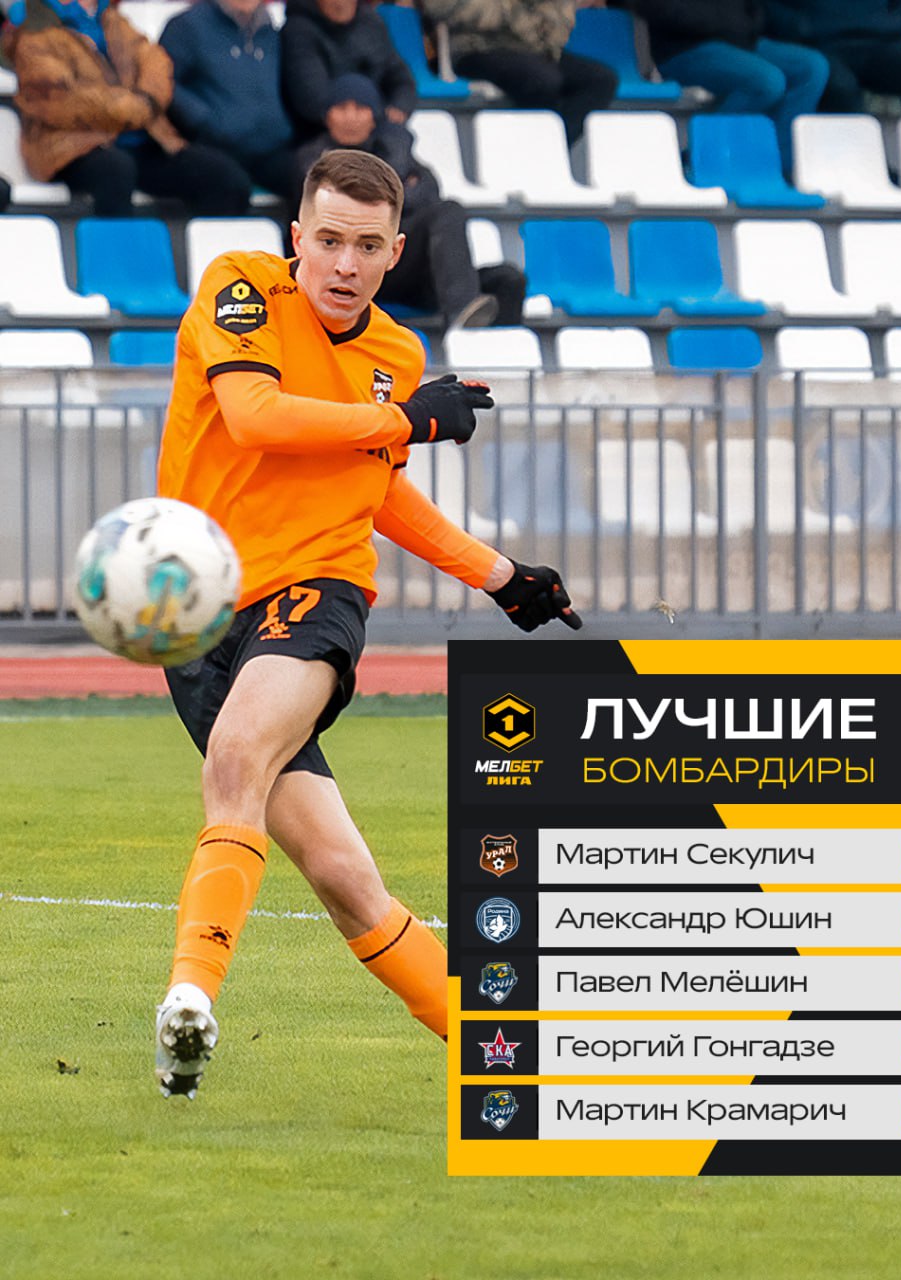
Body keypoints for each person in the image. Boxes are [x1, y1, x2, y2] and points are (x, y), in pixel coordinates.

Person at [153, 146, 581, 1099]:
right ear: (297, 238)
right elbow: (256, 415)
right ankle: (510, 1049)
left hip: (316, 590)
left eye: (368, 246)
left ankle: (188, 1000)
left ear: (395, 254)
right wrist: (407, 426)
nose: (345, 265)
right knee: (346, 880)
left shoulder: (396, 356)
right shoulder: (241, 288)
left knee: (236, 760)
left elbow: (373, 491)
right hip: (201, 610)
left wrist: (497, 574)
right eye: (330, 241)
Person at [298, 72, 526, 328]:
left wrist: (395, 151)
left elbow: (429, 191)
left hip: (410, 268)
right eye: (341, 108)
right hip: (360, 269)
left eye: (361, 108)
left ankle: (494, 344)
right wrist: (400, 184)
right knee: (447, 211)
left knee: (509, 280)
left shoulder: (393, 147)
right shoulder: (312, 159)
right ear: (326, 116)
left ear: (374, 116)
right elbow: (361, 202)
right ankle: (462, 311)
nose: (351, 117)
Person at [0, 0, 251, 217]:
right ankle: (113, 257)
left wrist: (139, 103)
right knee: (115, 172)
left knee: (225, 179)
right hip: (71, 145)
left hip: (144, 141)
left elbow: (156, 62)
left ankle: (203, 257)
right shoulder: (33, 26)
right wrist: (139, 106)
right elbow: (61, 100)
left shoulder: (111, 19)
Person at [617, 0, 829, 173]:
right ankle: (699, 153)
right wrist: (718, 23)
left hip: (741, 41)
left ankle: (780, 166)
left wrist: (750, 22)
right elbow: (653, 6)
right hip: (686, 47)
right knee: (766, 82)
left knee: (811, 67)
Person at [159, 0, 305, 218]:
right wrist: (203, 119)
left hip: (270, 147)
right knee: (228, 182)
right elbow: (163, 82)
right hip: (213, 146)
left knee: (312, 177)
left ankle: (294, 240)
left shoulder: (270, 30)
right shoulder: (187, 26)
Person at [418, 0, 618, 145]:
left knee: (601, 79)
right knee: (543, 79)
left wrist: (540, 22)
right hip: (477, 47)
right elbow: (440, 5)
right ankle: (533, 150)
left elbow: (561, 16)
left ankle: (548, 148)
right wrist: (510, 11)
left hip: (536, 49)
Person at [281, 0, 417, 146]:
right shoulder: (298, 29)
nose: (340, 3)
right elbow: (310, 96)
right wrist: (354, 116)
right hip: (317, 135)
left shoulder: (371, 22)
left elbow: (400, 78)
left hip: (375, 126)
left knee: (399, 143)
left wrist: (399, 106)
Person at [764, 0, 901, 114]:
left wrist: (894, 24)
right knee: (841, 87)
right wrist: (801, 27)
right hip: (816, 45)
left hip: (877, 42)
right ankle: (856, 151)